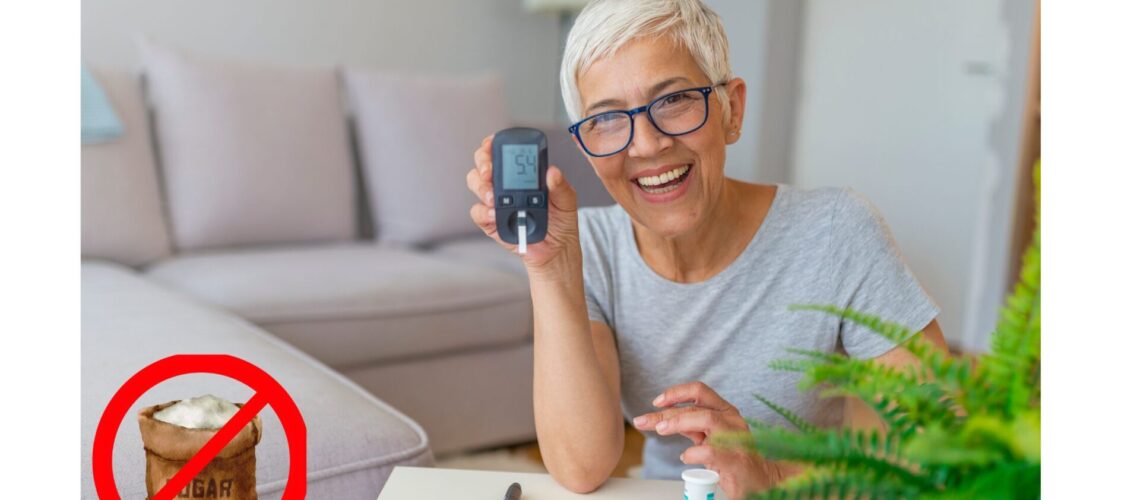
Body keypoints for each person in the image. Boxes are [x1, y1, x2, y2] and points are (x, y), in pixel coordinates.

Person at [465, 0, 948, 497]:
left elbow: (948, 451)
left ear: (731, 110)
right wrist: (550, 267)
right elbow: (581, 467)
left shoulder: (835, 232)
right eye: (607, 120)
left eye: (673, 101)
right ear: (587, 149)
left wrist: (775, 478)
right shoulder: (590, 248)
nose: (647, 145)